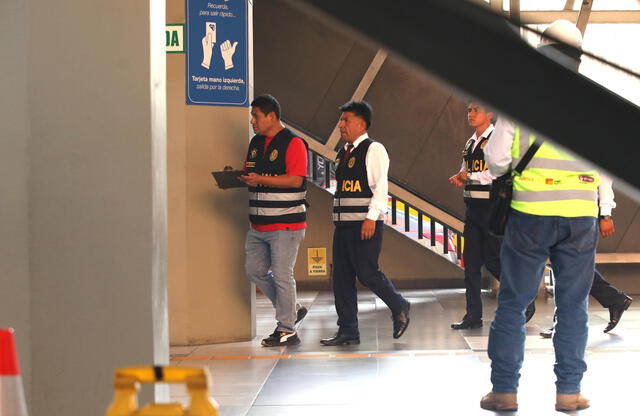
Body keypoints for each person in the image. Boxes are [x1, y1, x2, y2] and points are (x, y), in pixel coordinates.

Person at [480, 20, 599, 413]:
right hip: (581, 213)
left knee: (514, 303)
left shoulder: (521, 96)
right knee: (573, 304)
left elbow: (496, 161)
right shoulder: (594, 99)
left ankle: (505, 391)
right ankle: (568, 393)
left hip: (531, 212)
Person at [320, 100, 410, 346]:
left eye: (345, 120)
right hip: (343, 225)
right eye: (341, 120)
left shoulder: (374, 149)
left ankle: (399, 305)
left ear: (361, 123)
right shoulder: (343, 153)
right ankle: (348, 329)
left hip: (364, 224)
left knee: (368, 273)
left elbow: (381, 186)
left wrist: (372, 217)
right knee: (342, 277)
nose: (341, 125)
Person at [237, 94, 309, 347]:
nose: (252, 121)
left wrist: (261, 180)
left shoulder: (294, 143)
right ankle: (293, 309)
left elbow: (295, 179)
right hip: (258, 224)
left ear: (271, 116)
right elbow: (252, 172)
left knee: (281, 274)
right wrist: (241, 178)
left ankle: (287, 329)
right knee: (254, 271)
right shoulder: (255, 143)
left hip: (285, 224)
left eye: (256, 116)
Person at [540, 177, 633, 337]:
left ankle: (563, 323)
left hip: (580, 212)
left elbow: (604, 178)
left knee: (570, 266)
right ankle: (614, 299)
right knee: (567, 266)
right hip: (558, 210)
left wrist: (605, 214)